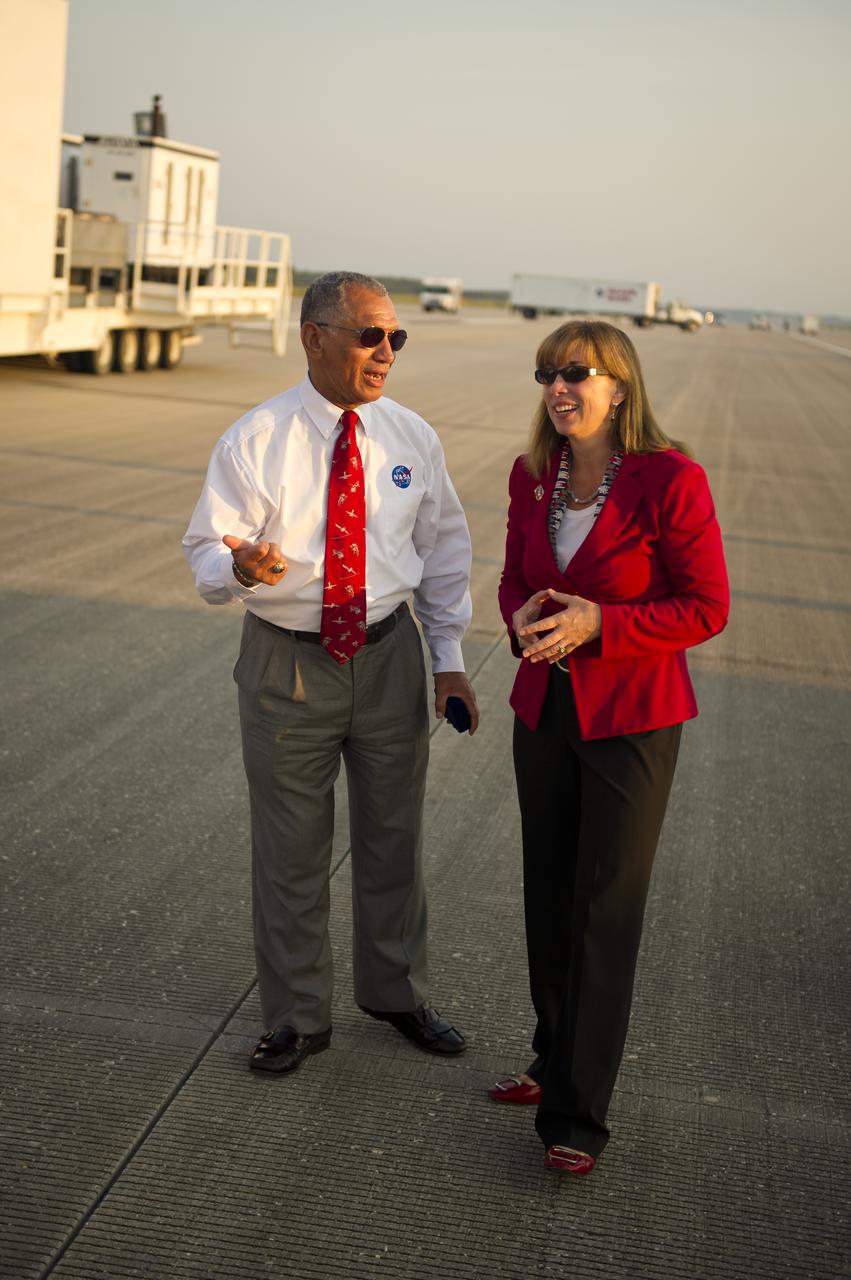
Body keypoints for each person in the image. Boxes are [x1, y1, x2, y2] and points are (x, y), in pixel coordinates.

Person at [183, 271, 478, 1075]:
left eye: (396, 338)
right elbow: (205, 550)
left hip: (388, 656)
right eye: (368, 335)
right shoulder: (256, 437)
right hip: (287, 665)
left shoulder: (411, 437)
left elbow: (445, 552)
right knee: (290, 850)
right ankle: (296, 1017)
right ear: (314, 336)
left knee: (395, 839)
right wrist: (239, 564)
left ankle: (394, 990)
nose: (386, 352)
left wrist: (448, 660)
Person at [492, 320, 729, 1176]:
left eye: (576, 374)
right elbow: (515, 576)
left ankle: (576, 1115)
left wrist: (602, 624)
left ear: (619, 387)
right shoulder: (532, 477)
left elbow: (706, 607)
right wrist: (516, 613)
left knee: (603, 908)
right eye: (546, 375)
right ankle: (549, 1057)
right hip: (542, 708)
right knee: (548, 896)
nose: (558, 389)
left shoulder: (670, 478)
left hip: (632, 718)